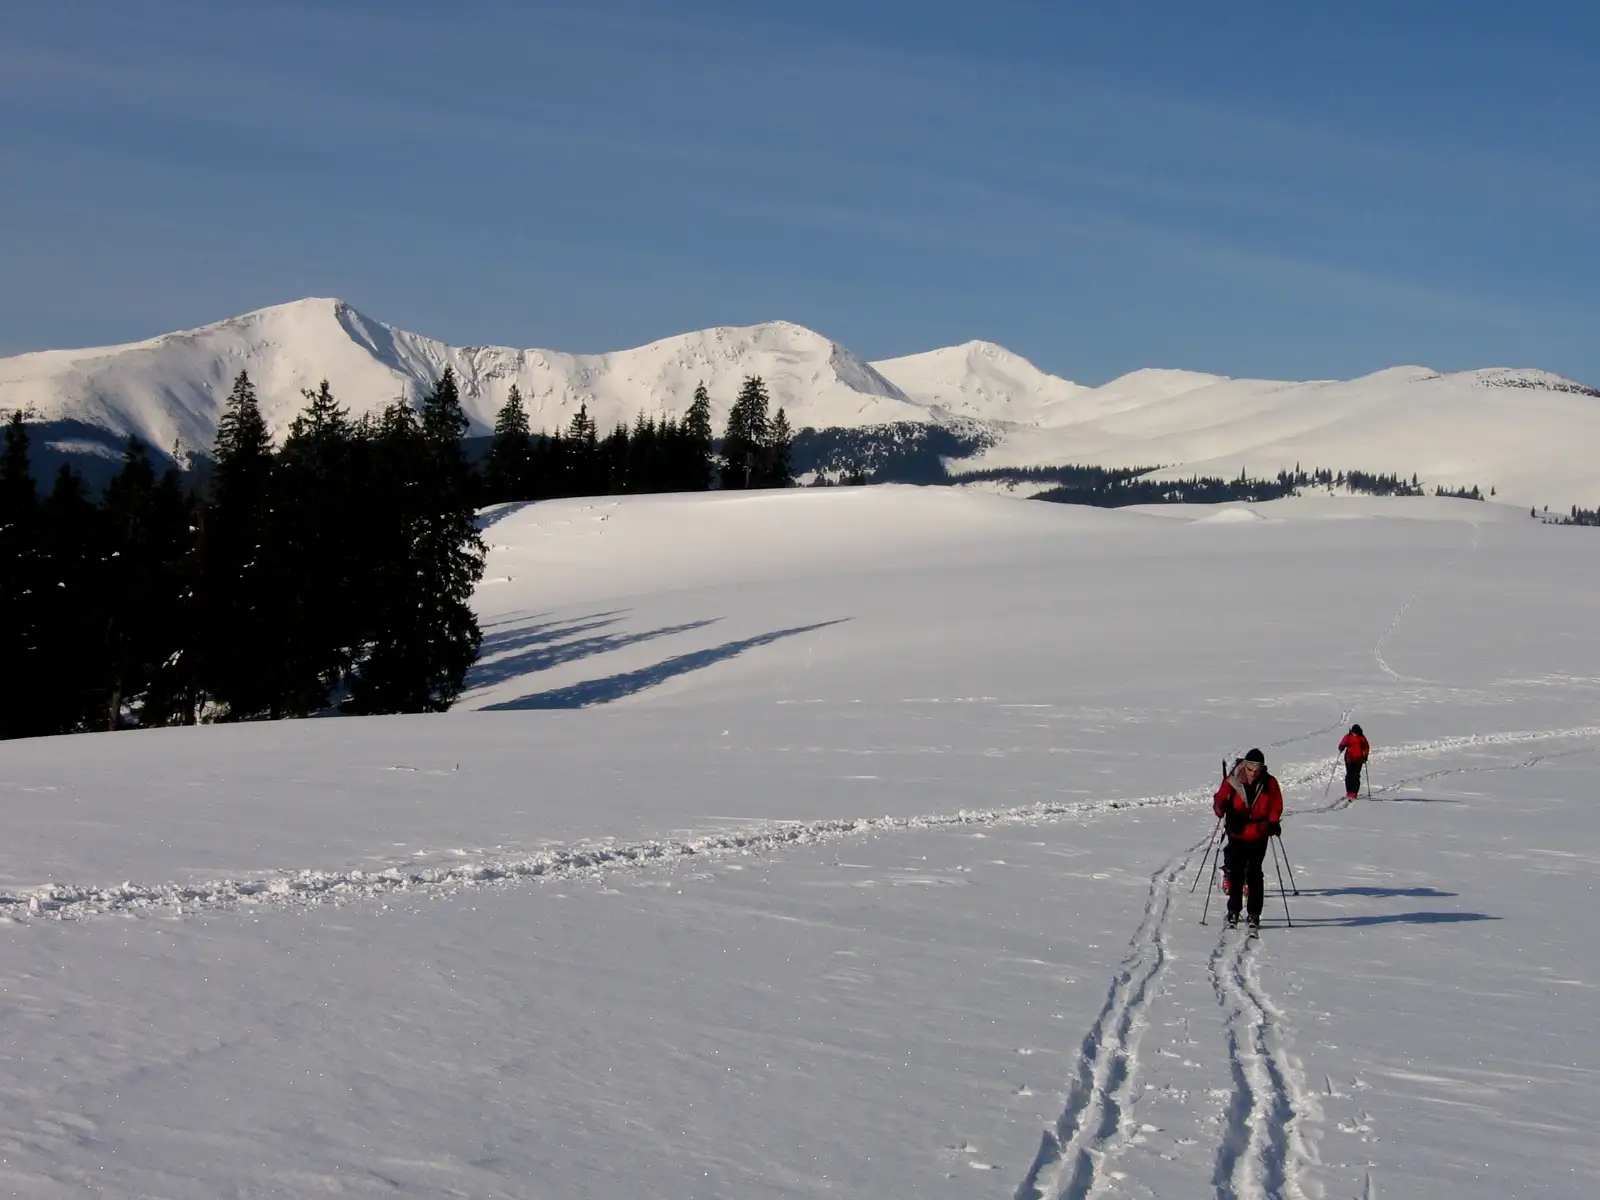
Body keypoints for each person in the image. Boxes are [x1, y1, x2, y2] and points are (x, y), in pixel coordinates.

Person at [1213, 748, 1284, 929]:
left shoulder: (1270, 783)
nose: (1253, 773)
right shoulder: (1233, 780)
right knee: (1236, 873)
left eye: (1257, 769)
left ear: (1262, 768)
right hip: (1238, 832)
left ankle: (1253, 914)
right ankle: (1233, 910)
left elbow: (1276, 804)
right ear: (1245, 765)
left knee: (1254, 873)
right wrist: (1221, 807)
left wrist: (1273, 822)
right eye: (1250, 768)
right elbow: (1220, 798)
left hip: (1259, 833)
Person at [1337, 723, 1371, 799]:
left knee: (1356, 776)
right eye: (1354, 733)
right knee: (1349, 775)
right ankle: (1349, 791)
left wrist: (1365, 756)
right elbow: (1342, 743)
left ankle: (1354, 792)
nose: (1355, 734)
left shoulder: (1362, 737)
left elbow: (1366, 747)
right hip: (1349, 758)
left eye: (1356, 733)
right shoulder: (1348, 737)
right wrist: (1341, 747)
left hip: (1359, 759)